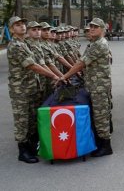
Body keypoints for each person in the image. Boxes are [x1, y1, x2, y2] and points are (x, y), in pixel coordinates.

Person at [7, 16, 60, 163]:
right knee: (22, 120)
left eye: (23, 24)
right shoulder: (16, 46)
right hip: (20, 90)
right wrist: (54, 76)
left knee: (30, 119)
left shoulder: (24, 44)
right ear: (11, 29)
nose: (22, 27)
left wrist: (54, 75)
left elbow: (40, 63)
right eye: (17, 25)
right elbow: (32, 66)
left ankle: (30, 146)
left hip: (30, 87)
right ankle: (22, 151)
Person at [58, 18, 113, 157]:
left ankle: (105, 146)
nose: (92, 29)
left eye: (95, 27)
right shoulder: (94, 43)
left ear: (102, 29)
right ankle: (100, 142)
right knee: (99, 113)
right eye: (91, 27)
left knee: (101, 115)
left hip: (99, 86)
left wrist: (65, 76)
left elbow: (81, 63)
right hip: (95, 84)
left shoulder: (99, 44)